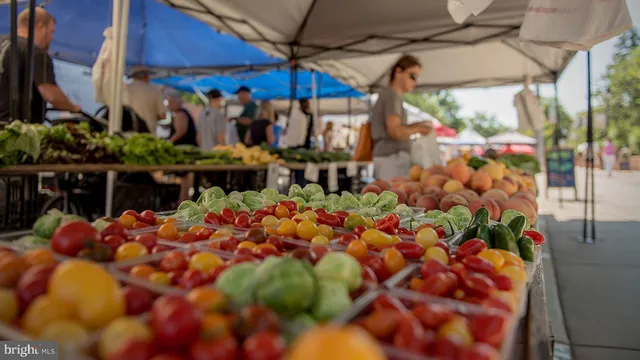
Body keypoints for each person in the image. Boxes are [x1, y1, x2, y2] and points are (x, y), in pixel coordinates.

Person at [0, 7, 80, 125]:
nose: (52, 38)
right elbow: (50, 94)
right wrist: (73, 107)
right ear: (41, 26)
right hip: (15, 133)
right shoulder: (36, 52)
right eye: (52, 31)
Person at [370, 55, 432, 181]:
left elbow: (395, 128)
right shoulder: (391, 96)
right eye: (413, 76)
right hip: (392, 159)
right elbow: (395, 132)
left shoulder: (392, 96)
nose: (415, 81)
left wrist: (415, 125)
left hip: (390, 158)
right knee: (393, 197)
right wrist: (419, 129)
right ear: (398, 71)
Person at [166, 93, 197, 201]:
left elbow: (181, 131)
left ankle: (182, 201)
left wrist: (169, 142)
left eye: (169, 102)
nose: (168, 105)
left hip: (184, 151)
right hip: (185, 149)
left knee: (184, 178)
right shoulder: (181, 113)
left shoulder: (180, 114)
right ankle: (183, 200)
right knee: (184, 178)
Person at [124, 66, 166, 134]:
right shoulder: (155, 90)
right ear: (147, 76)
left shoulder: (123, 88)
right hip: (147, 131)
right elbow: (163, 115)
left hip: (125, 129)